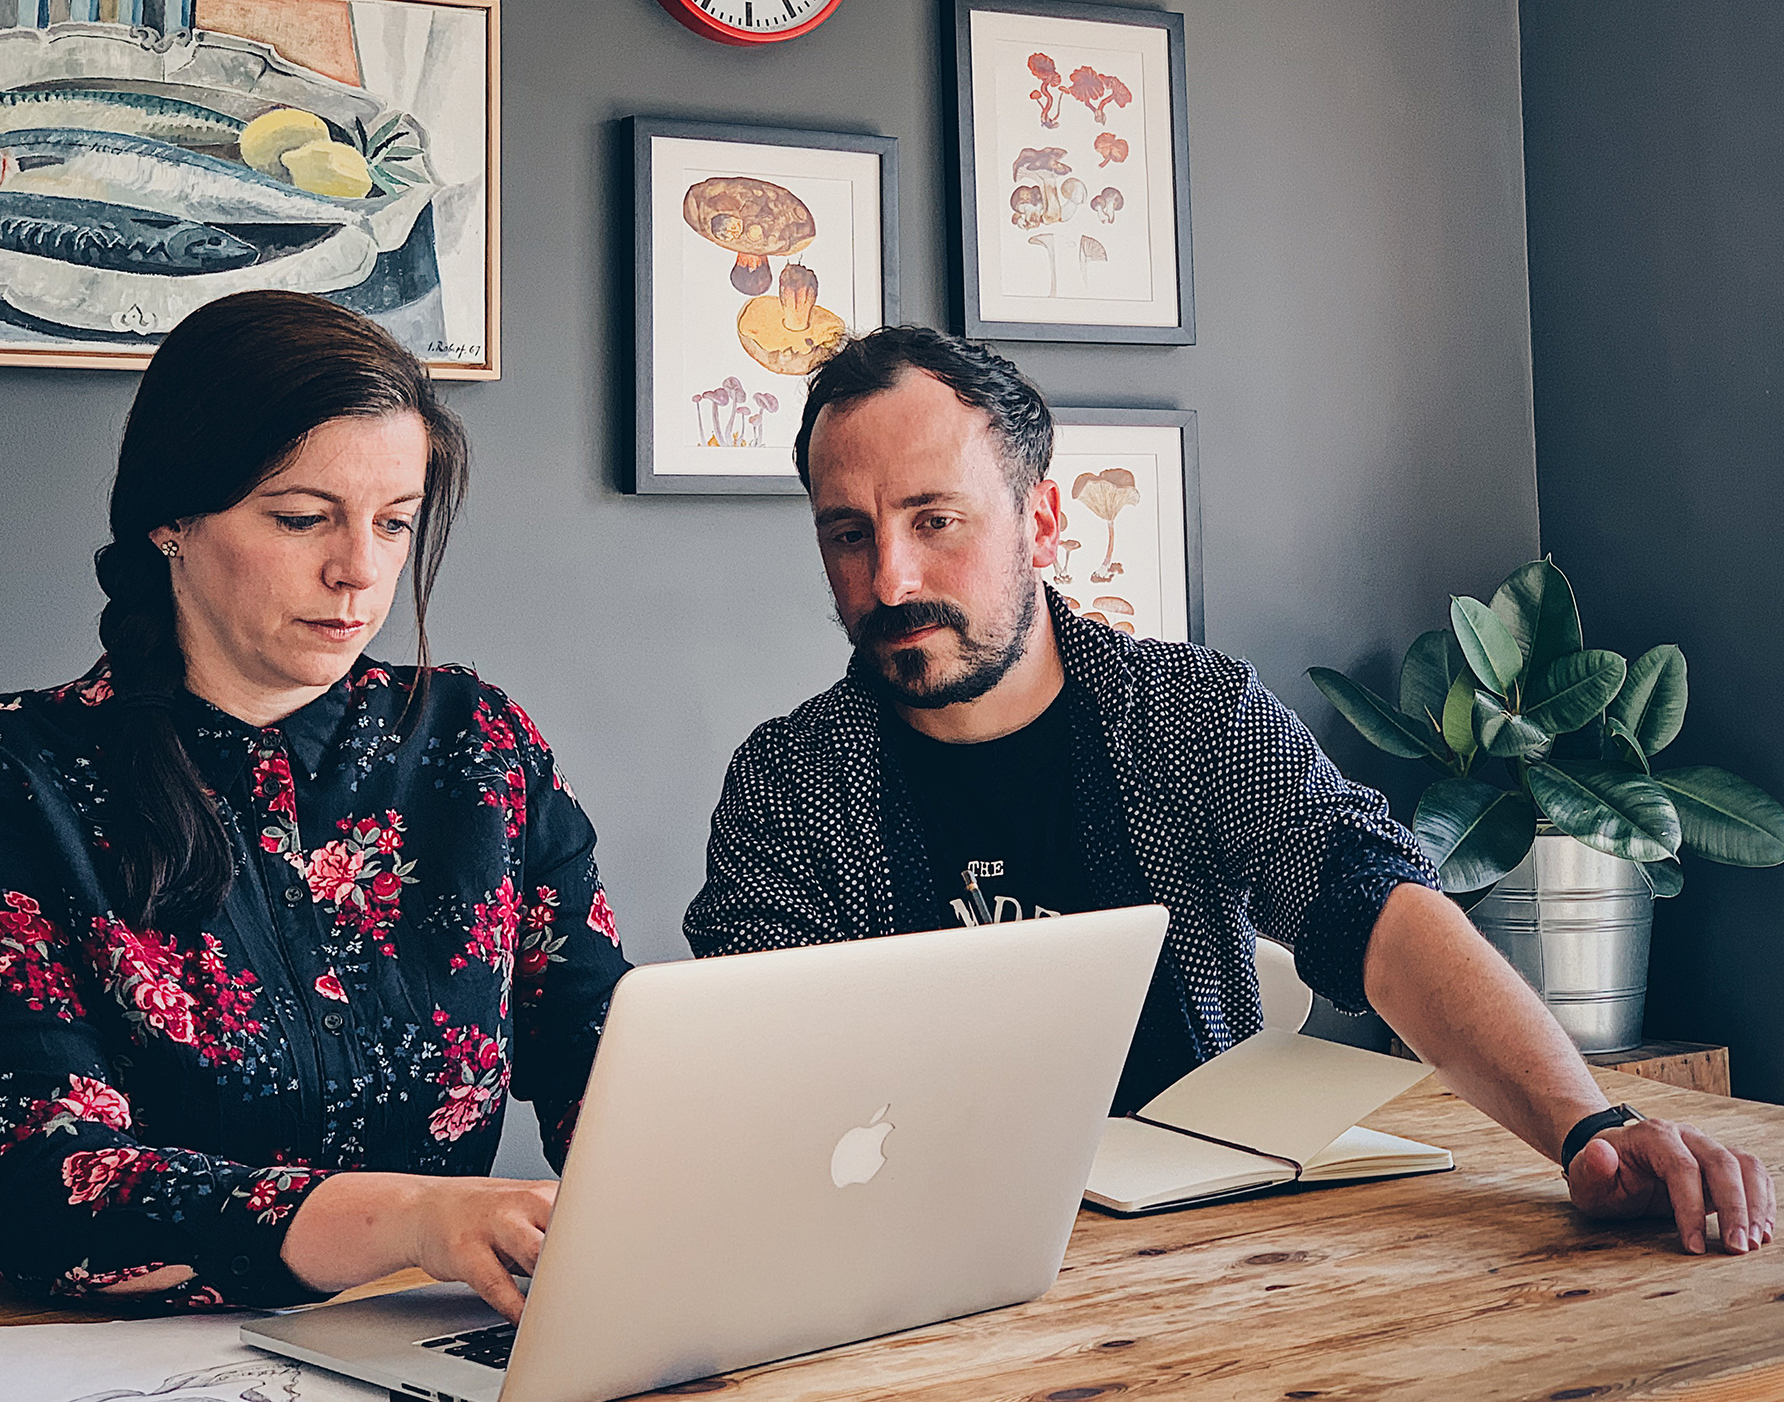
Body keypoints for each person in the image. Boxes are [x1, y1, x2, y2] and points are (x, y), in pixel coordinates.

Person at [685, 324, 1775, 1257]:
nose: (889, 580)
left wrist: (1585, 1128)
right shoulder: (788, 784)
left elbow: (1369, 903)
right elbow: (765, 1085)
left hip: (1225, 1246)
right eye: (847, 533)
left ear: (1040, 521)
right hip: (918, 1261)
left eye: (935, 519)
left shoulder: (1188, 712)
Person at [0, 291, 628, 1319]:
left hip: (391, 1336)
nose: (358, 571)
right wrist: (412, 1217)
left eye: (393, 522)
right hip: (63, 1350)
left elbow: (599, 1045)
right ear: (171, 518)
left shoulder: (478, 745)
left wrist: (658, 1199)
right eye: (300, 517)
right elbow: (44, 1184)